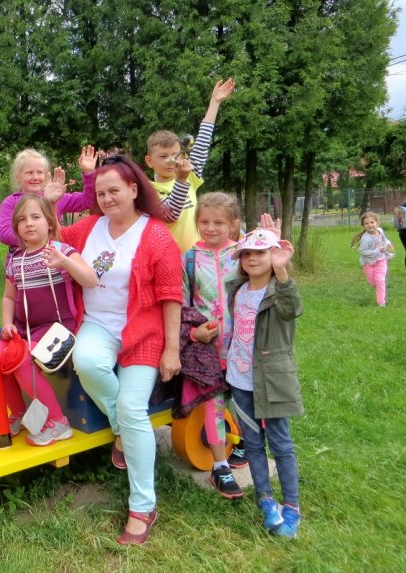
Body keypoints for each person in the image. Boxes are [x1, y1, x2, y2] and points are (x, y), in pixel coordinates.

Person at [59, 154, 182, 546]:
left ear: (133, 189)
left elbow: (171, 296)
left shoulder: (156, 235)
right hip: (97, 325)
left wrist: (172, 349)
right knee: (87, 361)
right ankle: (122, 431)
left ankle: (142, 507)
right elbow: (51, 234)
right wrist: (48, 199)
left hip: (144, 331)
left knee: (133, 408)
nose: (107, 199)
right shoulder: (88, 227)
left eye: (114, 190)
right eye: (100, 193)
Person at [0, 194, 98, 446]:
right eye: (22, 219)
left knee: (22, 360)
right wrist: (7, 322)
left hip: (59, 329)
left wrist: (65, 263)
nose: (29, 223)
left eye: (36, 217)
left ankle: (57, 421)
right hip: (25, 329)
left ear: (50, 222)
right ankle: (20, 413)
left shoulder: (62, 251)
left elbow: (90, 279)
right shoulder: (15, 260)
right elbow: (8, 297)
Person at [225, 227, 303, 538]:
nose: (253, 258)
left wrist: (281, 270)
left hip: (271, 382)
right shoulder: (237, 290)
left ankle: (292, 507)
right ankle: (266, 500)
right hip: (239, 380)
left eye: (260, 252)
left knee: (281, 445)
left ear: (274, 256)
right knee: (253, 444)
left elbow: (292, 308)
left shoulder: (278, 292)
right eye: (247, 253)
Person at [181, 193, 247, 499]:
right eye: (204, 221)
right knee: (214, 402)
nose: (210, 228)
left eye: (218, 222)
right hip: (207, 348)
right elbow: (182, 305)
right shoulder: (189, 259)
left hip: (242, 345)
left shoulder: (243, 255)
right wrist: (195, 333)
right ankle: (220, 467)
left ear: (233, 224)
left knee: (243, 400)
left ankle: (243, 444)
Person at [144, 78, 235, 253]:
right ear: (149, 161)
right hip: (167, 261)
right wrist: (181, 180)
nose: (171, 161)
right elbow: (171, 214)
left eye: (175, 155)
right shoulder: (148, 190)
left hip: (197, 259)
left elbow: (202, 144)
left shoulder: (188, 176)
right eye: (163, 156)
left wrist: (215, 102)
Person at [0, 146, 98, 250]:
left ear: (46, 176)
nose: (35, 177)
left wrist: (88, 173)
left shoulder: (56, 198)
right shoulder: (11, 202)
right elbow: (4, 234)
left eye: (40, 172)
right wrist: (38, 237)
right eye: (29, 173)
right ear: (18, 177)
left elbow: (88, 201)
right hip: (22, 257)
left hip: (52, 256)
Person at [351, 211, 394, 307]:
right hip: (368, 264)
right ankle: (378, 287)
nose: (370, 225)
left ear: (377, 223)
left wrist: (388, 243)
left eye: (372, 222)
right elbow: (362, 252)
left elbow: (384, 239)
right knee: (373, 283)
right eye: (366, 223)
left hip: (381, 261)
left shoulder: (380, 230)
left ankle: (381, 302)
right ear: (363, 226)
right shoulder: (365, 239)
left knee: (380, 281)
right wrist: (377, 251)